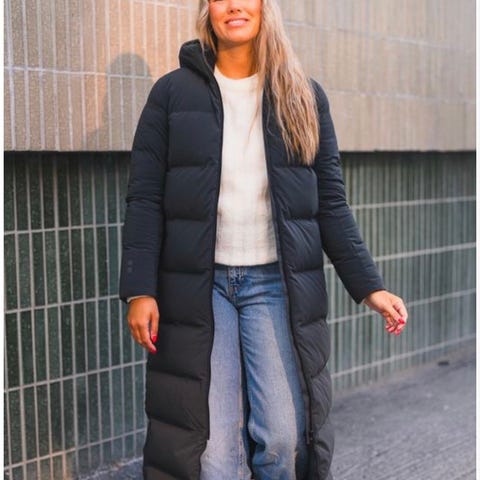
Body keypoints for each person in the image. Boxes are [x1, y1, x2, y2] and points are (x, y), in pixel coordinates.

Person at [119, 0, 409, 479]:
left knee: (282, 436)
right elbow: (145, 198)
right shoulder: (171, 94)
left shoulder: (302, 96)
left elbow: (329, 203)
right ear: (207, 9)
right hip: (199, 288)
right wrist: (140, 289)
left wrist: (369, 286)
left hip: (275, 285)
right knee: (213, 452)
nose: (234, 5)